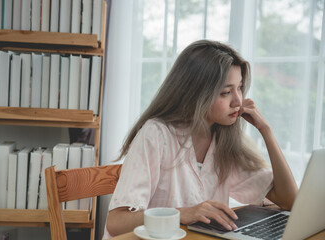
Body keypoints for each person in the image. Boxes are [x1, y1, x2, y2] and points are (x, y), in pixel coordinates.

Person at [103, 40, 298, 238]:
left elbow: (288, 201)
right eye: (226, 92)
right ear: (196, 93)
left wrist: (266, 131)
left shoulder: (223, 141)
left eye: (239, 88)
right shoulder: (156, 134)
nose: (238, 101)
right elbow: (116, 222)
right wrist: (183, 213)